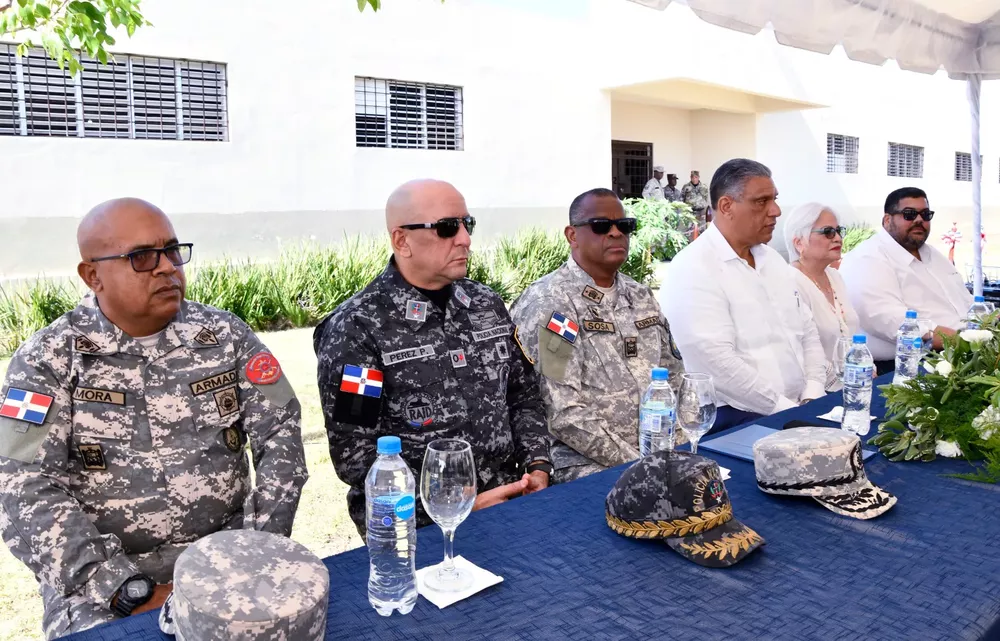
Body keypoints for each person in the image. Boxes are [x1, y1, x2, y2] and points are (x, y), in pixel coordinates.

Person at [0, 198, 308, 640]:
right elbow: (22, 485)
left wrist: (256, 548)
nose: (166, 267)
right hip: (107, 581)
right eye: (141, 257)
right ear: (93, 276)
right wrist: (123, 588)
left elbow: (281, 433)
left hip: (230, 554)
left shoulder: (226, 336)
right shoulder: (46, 362)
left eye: (172, 250)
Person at [314, 179, 552, 536]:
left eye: (466, 224)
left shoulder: (485, 305)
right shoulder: (358, 327)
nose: (465, 239)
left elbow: (523, 396)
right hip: (415, 526)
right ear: (401, 241)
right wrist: (453, 509)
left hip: (510, 500)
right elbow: (356, 453)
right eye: (446, 228)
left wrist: (537, 465)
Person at [510, 188, 685, 482]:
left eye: (625, 226)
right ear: (572, 235)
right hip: (588, 466)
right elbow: (563, 412)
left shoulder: (640, 295)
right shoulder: (552, 304)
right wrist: (643, 465)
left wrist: (678, 449)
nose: (616, 233)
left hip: (659, 455)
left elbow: (674, 378)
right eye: (601, 226)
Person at [660, 159, 826, 432]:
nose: (775, 211)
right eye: (761, 201)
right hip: (737, 417)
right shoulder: (693, 268)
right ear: (726, 207)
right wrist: (787, 412)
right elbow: (716, 364)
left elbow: (808, 332)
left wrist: (814, 392)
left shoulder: (772, 260)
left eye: (774, 199)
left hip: (800, 407)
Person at [840, 187, 973, 371]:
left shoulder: (933, 255)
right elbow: (888, 319)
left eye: (925, 214)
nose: (919, 220)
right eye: (909, 214)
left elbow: (966, 302)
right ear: (887, 220)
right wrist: (961, 341)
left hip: (963, 353)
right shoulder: (868, 257)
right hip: (910, 366)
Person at [783, 203, 860, 391]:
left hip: (853, 383)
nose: (838, 238)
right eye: (828, 232)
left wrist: (863, 366)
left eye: (838, 231)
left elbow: (849, 335)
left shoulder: (834, 276)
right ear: (799, 243)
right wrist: (843, 379)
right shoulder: (789, 282)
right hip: (815, 391)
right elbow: (800, 351)